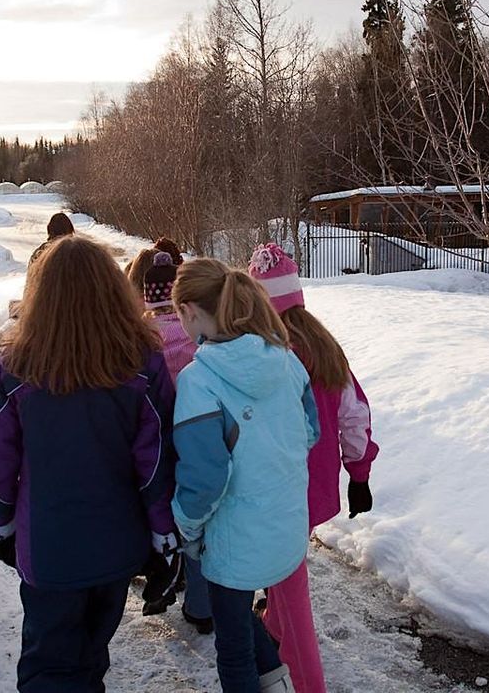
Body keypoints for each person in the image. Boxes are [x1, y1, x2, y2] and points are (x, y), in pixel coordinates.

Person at [0, 235, 178, 692]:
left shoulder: (18, 367)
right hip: (118, 543)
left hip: (48, 547)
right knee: (90, 654)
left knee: (50, 665)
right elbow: (158, 457)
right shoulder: (142, 363)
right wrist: (163, 530)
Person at [170, 258, 318, 693]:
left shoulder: (199, 382)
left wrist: (188, 531)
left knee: (232, 647)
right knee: (242, 621)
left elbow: (203, 481)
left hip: (231, 543)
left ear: (190, 311)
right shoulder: (287, 361)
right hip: (283, 530)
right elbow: (309, 431)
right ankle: (279, 685)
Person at [248, 244, 379, 693]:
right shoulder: (324, 347)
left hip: (275, 493)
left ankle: (306, 680)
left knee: (290, 584)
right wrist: (357, 471)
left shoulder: (262, 355)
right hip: (312, 488)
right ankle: (274, 627)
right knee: (285, 575)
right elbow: (354, 414)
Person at [141, 250, 214, 633]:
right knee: (196, 521)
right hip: (195, 432)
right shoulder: (196, 335)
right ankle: (201, 605)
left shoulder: (143, 336)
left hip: (154, 439)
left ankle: (166, 577)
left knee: (162, 514)